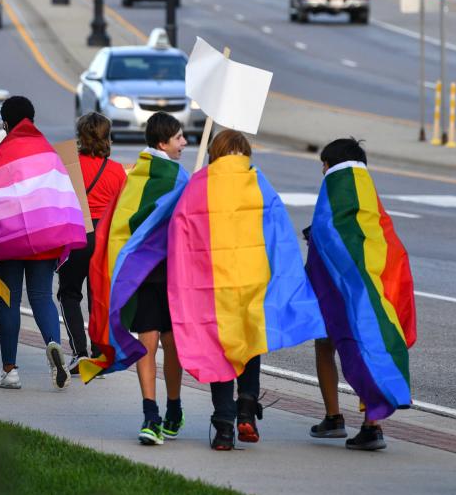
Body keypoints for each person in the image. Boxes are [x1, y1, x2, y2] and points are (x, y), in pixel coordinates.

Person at [165, 130, 324, 451]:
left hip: (212, 287)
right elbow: (280, 234)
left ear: (216, 153)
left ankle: (224, 425)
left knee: (218, 350)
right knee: (250, 343)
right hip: (253, 282)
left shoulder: (199, 184)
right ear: (244, 152)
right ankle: (247, 409)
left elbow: (179, 236)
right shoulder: (257, 181)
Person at [0, 96, 86, 391]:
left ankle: (9, 371)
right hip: (45, 238)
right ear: (32, 118)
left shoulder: (1, 153)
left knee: (10, 299)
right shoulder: (47, 151)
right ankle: (54, 345)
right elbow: (61, 191)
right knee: (41, 295)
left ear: (5, 123)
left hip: (9, 238)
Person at [82, 112, 189, 446]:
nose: (184, 143)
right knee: (155, 342)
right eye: (179, 138)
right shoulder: (171, 177)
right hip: (152, 277)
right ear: (163, 142)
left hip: (158, 276)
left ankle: (171, 408)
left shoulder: (136, 176)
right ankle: (152, 413)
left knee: (165, 343)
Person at [305, 138, 416, 452]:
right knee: (368, 344)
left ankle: (333, 417)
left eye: (323, 165)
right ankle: (372, 424)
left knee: (327, 344)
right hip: (372, 291)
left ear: (330, 165)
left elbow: (326, 236)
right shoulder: (369, 200)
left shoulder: (334, 193)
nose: (322, 171)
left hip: (336, 290)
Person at [57, 112, 126, 375]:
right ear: (107, 137)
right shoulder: (117, 171)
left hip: (77, 233)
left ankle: (79, 352)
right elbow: (123, 210)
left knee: (69, 294)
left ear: (81, 137)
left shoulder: (69, 165)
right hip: (104, 237)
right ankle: (99, 351)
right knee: (99, 297)